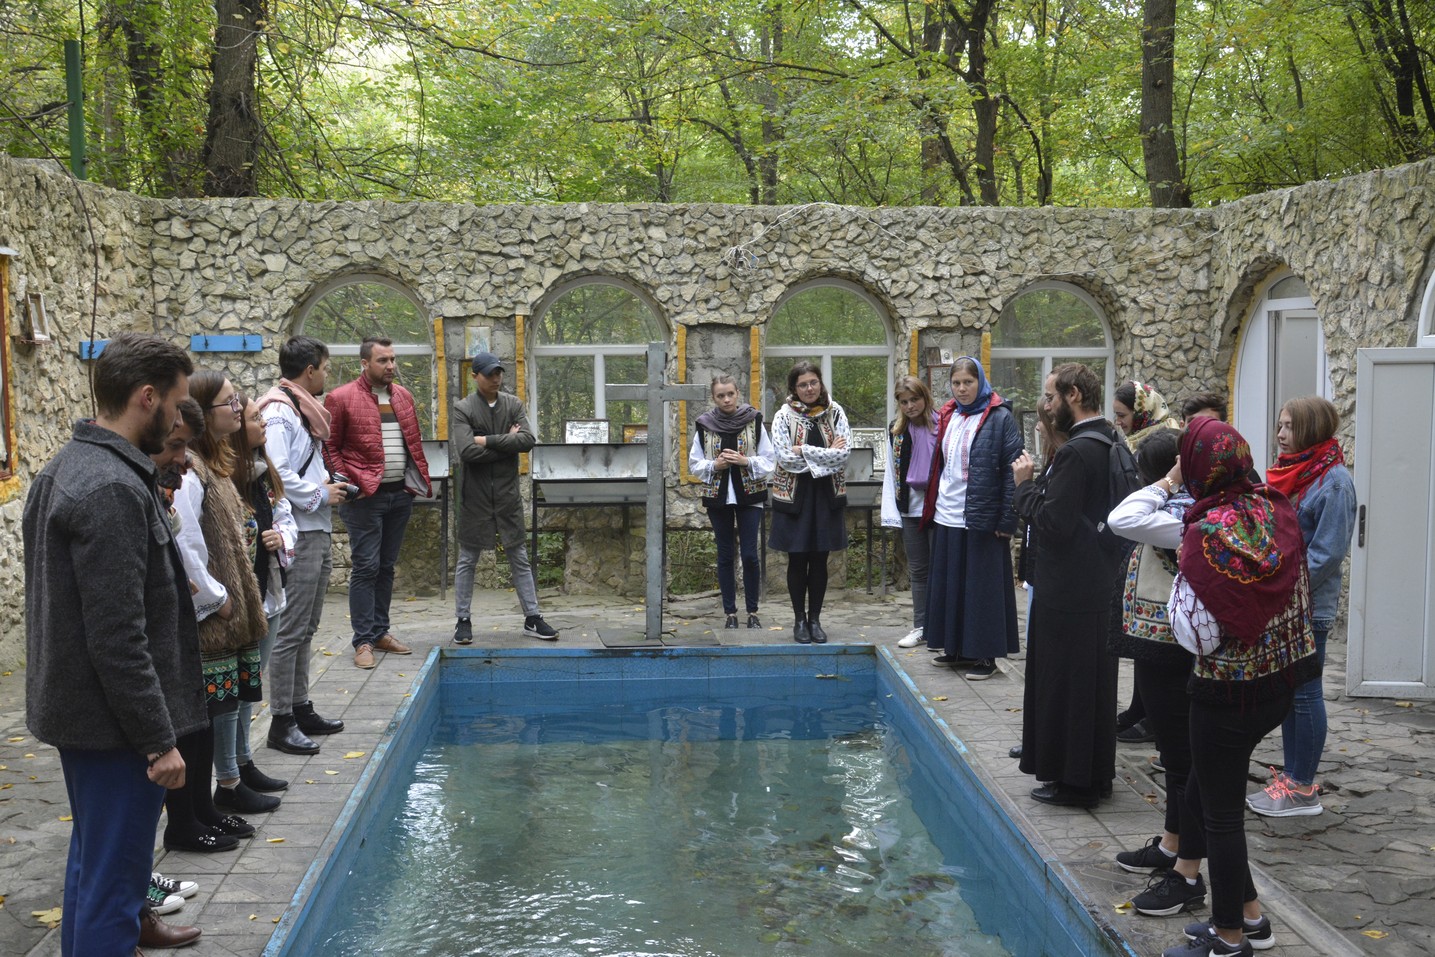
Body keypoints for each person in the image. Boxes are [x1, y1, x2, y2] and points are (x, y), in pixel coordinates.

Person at [24, 332, 205, 956]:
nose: (178, 422)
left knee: (94, 870)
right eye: (175, 406)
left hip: (92, 719)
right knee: (114, 887)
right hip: (116, 729)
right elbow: (117, 635)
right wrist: (158, 740)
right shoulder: (111, 489)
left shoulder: (71, 467)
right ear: (146, 397)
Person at [1160, 416, 1319, 957]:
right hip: (1280, 683)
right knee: (1201, 795)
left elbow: (1198, 633)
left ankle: (1227, 938)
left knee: (1220, 816)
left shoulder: (1206, 531)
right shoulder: (1276, 508)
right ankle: (1252, 919)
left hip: (1226, 694)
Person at [1102, 428, 1209, 918]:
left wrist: (1168, 482)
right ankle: (1171, 844)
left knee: (1183, 759)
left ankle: (1186, 871)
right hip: (1156, 646)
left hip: (1172, 648)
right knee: (1174, 755)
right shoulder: (1180, 508)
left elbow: (1122, 517)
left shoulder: (1184, 513)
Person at [1011, 363, 1121, 808]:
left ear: (1073, 395)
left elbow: (1054, 523)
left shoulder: (1077, 452)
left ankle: (1076, 783)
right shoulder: (1109, 438)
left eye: (1051, 396)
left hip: (1069, 588)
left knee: (1068, 684)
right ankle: (1091, 776)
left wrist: (1024, 487)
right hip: (1095, 582)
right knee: (1091, 685)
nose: (1046, 404)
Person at [171, 371, 274, 831]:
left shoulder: (216, 464)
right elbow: (186, 543)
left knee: (225, 705)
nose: (238, 409)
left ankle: (219, 796)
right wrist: (218, 599)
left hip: (231, 610)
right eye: (230, 403)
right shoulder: (192, 470)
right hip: (214, 615)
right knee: (209, 714)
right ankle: (205, 805)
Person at [1245, 395, 1356, 817]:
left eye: (1289, 426)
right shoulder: (1294, 470)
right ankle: (1291, 780)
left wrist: (1280, 587)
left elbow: (1326, 554)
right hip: (1284, 603)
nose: (1280, 433)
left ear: (1311, 427)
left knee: (1306, 694)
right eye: (1280, 424)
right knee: (1291, 694)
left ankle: (1303, 789)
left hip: (1307, 607)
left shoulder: (1335, 482)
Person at [258, 335, 350, 754]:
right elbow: (277, 472)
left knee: (308, 625)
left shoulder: (299, 408)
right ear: (309, 370)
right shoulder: (279, 412)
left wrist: (326, 484)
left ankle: (300, 706)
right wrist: (319, 494)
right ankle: (280, 720)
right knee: (291, 629)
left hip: (315, 526)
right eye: (325, 368)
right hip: (299, 528)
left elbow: (299, 466)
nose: (327, 375)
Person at [325, 336, 432, 669]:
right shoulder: (341, 398)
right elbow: (330, 447)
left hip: (399, 495)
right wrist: (348, 484)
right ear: (364, 363)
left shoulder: (403, 396)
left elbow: (412, 443)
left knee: (386, 566)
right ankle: (363, 641)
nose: (390, 366)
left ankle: (380, 632)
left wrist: (412, 485)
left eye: (392, 359)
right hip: (364, 499)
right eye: (383, 360)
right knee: (366, 567)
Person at [918, 358, 1023, 680]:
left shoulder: (1000, 418)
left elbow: (1012, 471)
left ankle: (985, 655)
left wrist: (1007, 520)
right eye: (956, 383)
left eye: (968, 382)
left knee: (981, 588)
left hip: (982, 517)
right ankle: (956, 648)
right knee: (952, 585)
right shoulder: (949, 415)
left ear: (981, 382)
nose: (962, 389)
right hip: (947, 514)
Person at [450, 351, 558, 643]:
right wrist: (507, 443)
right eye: (489, 374)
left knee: (518, 556)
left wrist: (485, 439)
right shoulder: (463, 408)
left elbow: (527, 440)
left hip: (508, 496)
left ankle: (532, 618)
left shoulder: (513, 404)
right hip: (475, 497)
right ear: (476, 376)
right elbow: (466, 451)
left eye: (498, 372)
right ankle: (462, 620)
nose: (496, 378)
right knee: (467, 559)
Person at [226, 394, 297, 795]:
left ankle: (244, 762)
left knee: (251, 688)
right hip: (241, 600)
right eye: (256, 418)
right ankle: (233, 770)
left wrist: (281, 536)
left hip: (269, 593)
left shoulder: (264, 473)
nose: (264, 423)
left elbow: (285, 516)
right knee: (237, 692)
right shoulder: (225, 479)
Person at [1110, 380, 1180, 744]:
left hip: (1162, 566)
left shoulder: (1164, 444)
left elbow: (1128, 514)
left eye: (1122, 415)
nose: (1118, 422)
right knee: (1144, 654)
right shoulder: (1136, 440)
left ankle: (1152, 718)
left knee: (1158, 660)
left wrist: (1162, 485)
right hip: (1144, 551)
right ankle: (1141, 710)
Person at [768, 361, 850, 644]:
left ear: (820, 382)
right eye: (803, 384)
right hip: (795, 497)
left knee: (819, 559)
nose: (809, 388)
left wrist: (802, 450)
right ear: (794, 388)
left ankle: (815, 619)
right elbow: (784, 459)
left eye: (813, 382)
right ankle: (799, 620)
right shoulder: (783, 416)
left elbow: (844, 455)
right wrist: (825, 455)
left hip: (826, 496)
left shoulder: (835, 412)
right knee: (797, 558)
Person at [689, 373, 775, 630]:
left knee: (749, 555)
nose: (726, 399)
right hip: (718, 497)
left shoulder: (754, 420)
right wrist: (714, 465)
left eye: (730, 394)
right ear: (713, 398)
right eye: (720, 395)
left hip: (750, 496)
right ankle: (730, 613)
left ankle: (752, 611)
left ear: (737, 393)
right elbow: (694, 463)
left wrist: (745, 461)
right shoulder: (704, 424)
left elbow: (769, 459)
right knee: (725, 555)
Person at [880, 376, 939, 648]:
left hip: (939, 510)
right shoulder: (896, 431)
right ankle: (922, 626)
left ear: (925, 398)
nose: (910, 406)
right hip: (910, 509)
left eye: (914, 399)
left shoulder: (941, 425)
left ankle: (943, 626)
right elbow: (891, 472)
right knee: (918, 571)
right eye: (904, 402)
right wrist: (892, 510)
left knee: (941, 568)